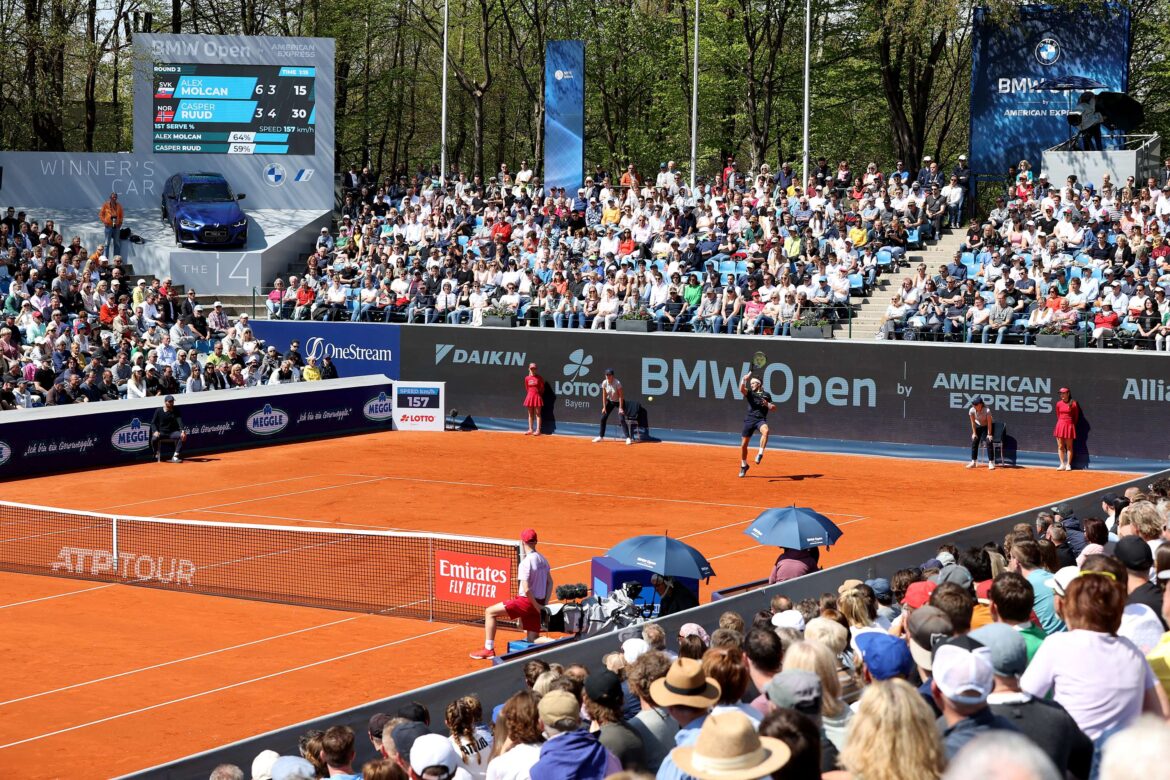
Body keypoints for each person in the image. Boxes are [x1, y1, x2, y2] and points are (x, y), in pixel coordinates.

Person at [471, 528, 551, 660]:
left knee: (490, 612)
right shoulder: (543, 559)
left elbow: (526, 590)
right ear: (536, 541)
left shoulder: (526, 563)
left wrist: (536, 605)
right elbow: (550, 583)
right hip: (539, 602)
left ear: (522, 542)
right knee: (533, 638)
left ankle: (488, 649)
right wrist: (543, 604)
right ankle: (558, 642)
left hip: (526, 602)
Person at [737, 370, 776, 478]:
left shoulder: (766, 395)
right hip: (749, 420)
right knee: (743, 446)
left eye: (753, 383)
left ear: (759, 384)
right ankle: (744, 465)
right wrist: (744, 380)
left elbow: (773, 408)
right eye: (751, 383)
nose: (752, 385)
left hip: (760, 420)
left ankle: (760, 454)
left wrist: (767, 404)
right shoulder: (750, 393)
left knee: (766, 431)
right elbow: (741, 389)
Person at [592, 368, 632, 445]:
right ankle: (601, 436)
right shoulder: (604, 383)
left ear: (612, 376)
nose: (608, 376)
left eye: (609, 375)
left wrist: (620, 408)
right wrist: (604, 407)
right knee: (603, 418)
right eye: (606, 375)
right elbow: (604, 396)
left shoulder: (617, 383)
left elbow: (621, 396)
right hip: (610, 402)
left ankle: (628, 438)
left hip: (619, 402)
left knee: (621, 419)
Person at [150, 394, 186, 463]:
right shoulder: (158, 410)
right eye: (170, 402)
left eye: (172, 401)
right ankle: (156, 453)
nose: (171, 403)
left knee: (183, 436)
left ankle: (175, 456)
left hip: (172, 433)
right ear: (165, 402)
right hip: (162, 433)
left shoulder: (176, 410)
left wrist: (182, 431)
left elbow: (180, 421)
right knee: (154, 438)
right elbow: (153, 423)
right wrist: (155, 431)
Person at [1052, 386, 1079, 471]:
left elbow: (1076, 417)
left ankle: (1068, 465)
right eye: (1061, 393)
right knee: (1060, 446)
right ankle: (1062, 464)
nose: (1062, 395)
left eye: (1064, 393)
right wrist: (1062, 422)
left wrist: (1070, 424)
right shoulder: (1058, 404)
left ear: (1068, 394)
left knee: (1069, 447)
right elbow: (1058, 415)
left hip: (1069, 426)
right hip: (1060, 425)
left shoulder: (1073, 403)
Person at [966, 396, 994, 470]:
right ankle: (974, 462)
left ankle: (991, 462)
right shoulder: (971, 410)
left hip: (987, 426)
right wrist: (974, 433)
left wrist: (989, 434)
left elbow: (989, 423)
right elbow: (973, 423)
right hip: (978, 426)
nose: (974, 406)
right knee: (975, 440)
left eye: (976, 404)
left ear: (980, 404)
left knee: (989, 441)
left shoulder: (987, 411)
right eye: (973, 404)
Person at [522, 362, 544, 436]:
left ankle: (538, 430)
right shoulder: (527, 378)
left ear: (536, 369)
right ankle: (530, 429)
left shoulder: (539, 378)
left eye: (534, 369)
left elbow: (542, 388)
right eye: (531, 369)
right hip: (529, 397)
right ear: (529, 369)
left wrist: (537, 394)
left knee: (538, 414)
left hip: (537, 397)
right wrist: (531, 394)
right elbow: (527, 388)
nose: (533, 370)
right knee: (530, 414)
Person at [100, 192, 124, 258]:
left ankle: (116, 259)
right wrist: (104, 221)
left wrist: (120, 223)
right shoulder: (106, 205)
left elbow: (121, 215)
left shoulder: (119, 205)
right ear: (110, 197)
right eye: (113, 197)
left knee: (116, 243)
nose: (114, 198)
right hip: (108, 226)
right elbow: (101, 214)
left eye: (116, 197)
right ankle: (105, 260)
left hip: (116, 226)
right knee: (107, 244)